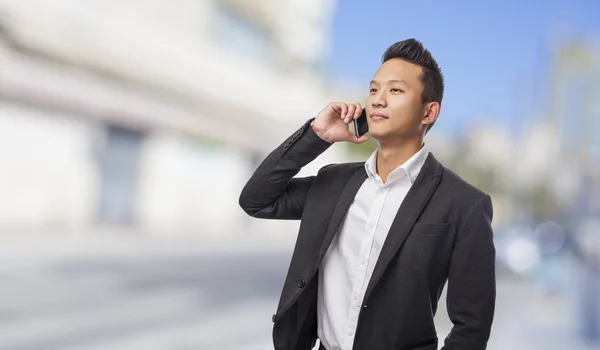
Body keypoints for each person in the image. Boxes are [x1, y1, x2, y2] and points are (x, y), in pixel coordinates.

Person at [239, 38, 496, 350]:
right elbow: (256, 199)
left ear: (429, 112)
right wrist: (316, 136)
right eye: (374, 89)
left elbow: (472, 328)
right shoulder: (334, 183)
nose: (378, 100)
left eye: (395, 90)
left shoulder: (464, 205)